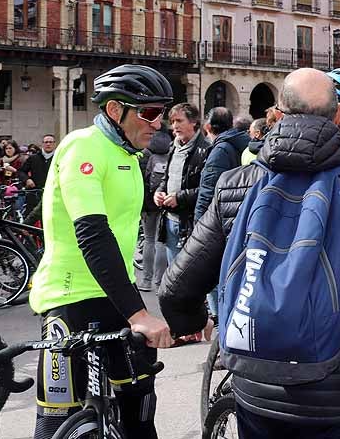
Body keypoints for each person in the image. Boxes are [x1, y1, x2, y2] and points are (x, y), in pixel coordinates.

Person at [158, 68, 340, 438]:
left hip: (254, 386)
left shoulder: (235, 184)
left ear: (279, 111)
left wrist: (195, 324)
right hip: (334, 393)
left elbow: (176, 287)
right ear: (335, 113)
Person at [29, 64, 175, 438]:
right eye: (149, 112)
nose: (158, 123)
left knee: (140, 414)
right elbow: (92, 234)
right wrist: (140, 313)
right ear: (115, 110)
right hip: (70, 298)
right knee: (55, 423)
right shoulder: (83, 147)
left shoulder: (129, 156)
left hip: (116, 296)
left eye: (162, 113)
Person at [153, 103, 210, 263]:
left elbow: (208, 189)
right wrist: (159, 191)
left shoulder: (207, 149)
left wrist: (180, 197)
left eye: (179, 121)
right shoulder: (173, 147)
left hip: (192, 222)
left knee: (189, 273)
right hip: (170, 219)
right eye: (172, 122)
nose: (174, 126)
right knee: (173, 270)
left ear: (193, 122)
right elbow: (167, 178)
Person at [194, 107, 250, 223]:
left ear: (208, 127)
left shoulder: (220, 150)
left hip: (220, 217)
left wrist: (199, 222)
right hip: (238, 214)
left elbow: (208, 190)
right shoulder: (241, 143)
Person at [138, 129, 171, 292]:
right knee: (161, 242)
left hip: (148, 205)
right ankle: (159, 283)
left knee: (149, 240)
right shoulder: (171, 154)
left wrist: (142, 206)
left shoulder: (143, 156)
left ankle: (146, 281)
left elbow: (139, 184)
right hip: (165, 202)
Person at [19, 133, 55, 217]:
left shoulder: (59, 158)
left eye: (50, 142)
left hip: (52, 194)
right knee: (30, 219)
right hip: (34, 193)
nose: (48, 144)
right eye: (46, 142)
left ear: (54, 144)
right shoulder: (33, 158)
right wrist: (27, 179)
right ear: (42, 144)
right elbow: (21, 172)